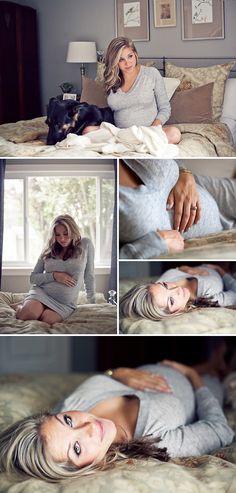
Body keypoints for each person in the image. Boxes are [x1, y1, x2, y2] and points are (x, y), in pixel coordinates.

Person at [0, 346, 234, 482]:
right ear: (78, 470)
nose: (89, 427)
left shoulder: (70, 404)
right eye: (77, 448)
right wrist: (193, 378)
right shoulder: (156, 444)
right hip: (199, 387)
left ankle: (210, 364)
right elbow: (219, 429)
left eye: (68, 421)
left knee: (211, 359)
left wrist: (117, 372)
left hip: (163, 365)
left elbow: (104, 378)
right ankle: (213, 370)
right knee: (220, 373)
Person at [119, 159, 236, 259]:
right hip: (215, 229)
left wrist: (184, 171)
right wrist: (156, 243)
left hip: (205, 188)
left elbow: (167, 152)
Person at [83, 37, 181, 144]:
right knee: (87, 131)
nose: (127, 63)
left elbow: (165, 109)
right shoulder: (112, 79)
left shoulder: (151, 74)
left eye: (130, 56)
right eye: (121, 59)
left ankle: (132, 142)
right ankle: (135, 142)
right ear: (115, 62)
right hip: (121, 132)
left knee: (174, 134)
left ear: (135, 54)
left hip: (147, 131)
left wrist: (154, 128)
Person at [14, 214, 95, 325]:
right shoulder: (48, 248)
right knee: (29, 315)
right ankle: (20, 307)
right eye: (57, 235)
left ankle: (27, 304)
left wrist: (93, 302)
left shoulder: (86, 244)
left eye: (66, 234)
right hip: (41, 294)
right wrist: (54, 276)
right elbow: (33, 278)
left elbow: (89, 276)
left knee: (47, 320)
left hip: (64, 304)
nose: (62, 238)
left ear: (73, 230)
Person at [119, 263, 236, 321]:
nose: (176, 289)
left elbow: (178, 269)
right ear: (169, 314)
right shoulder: (209, 300)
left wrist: (188, 269)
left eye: (165, 285)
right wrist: (220, 271)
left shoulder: (164, 279)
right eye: (171, 300)